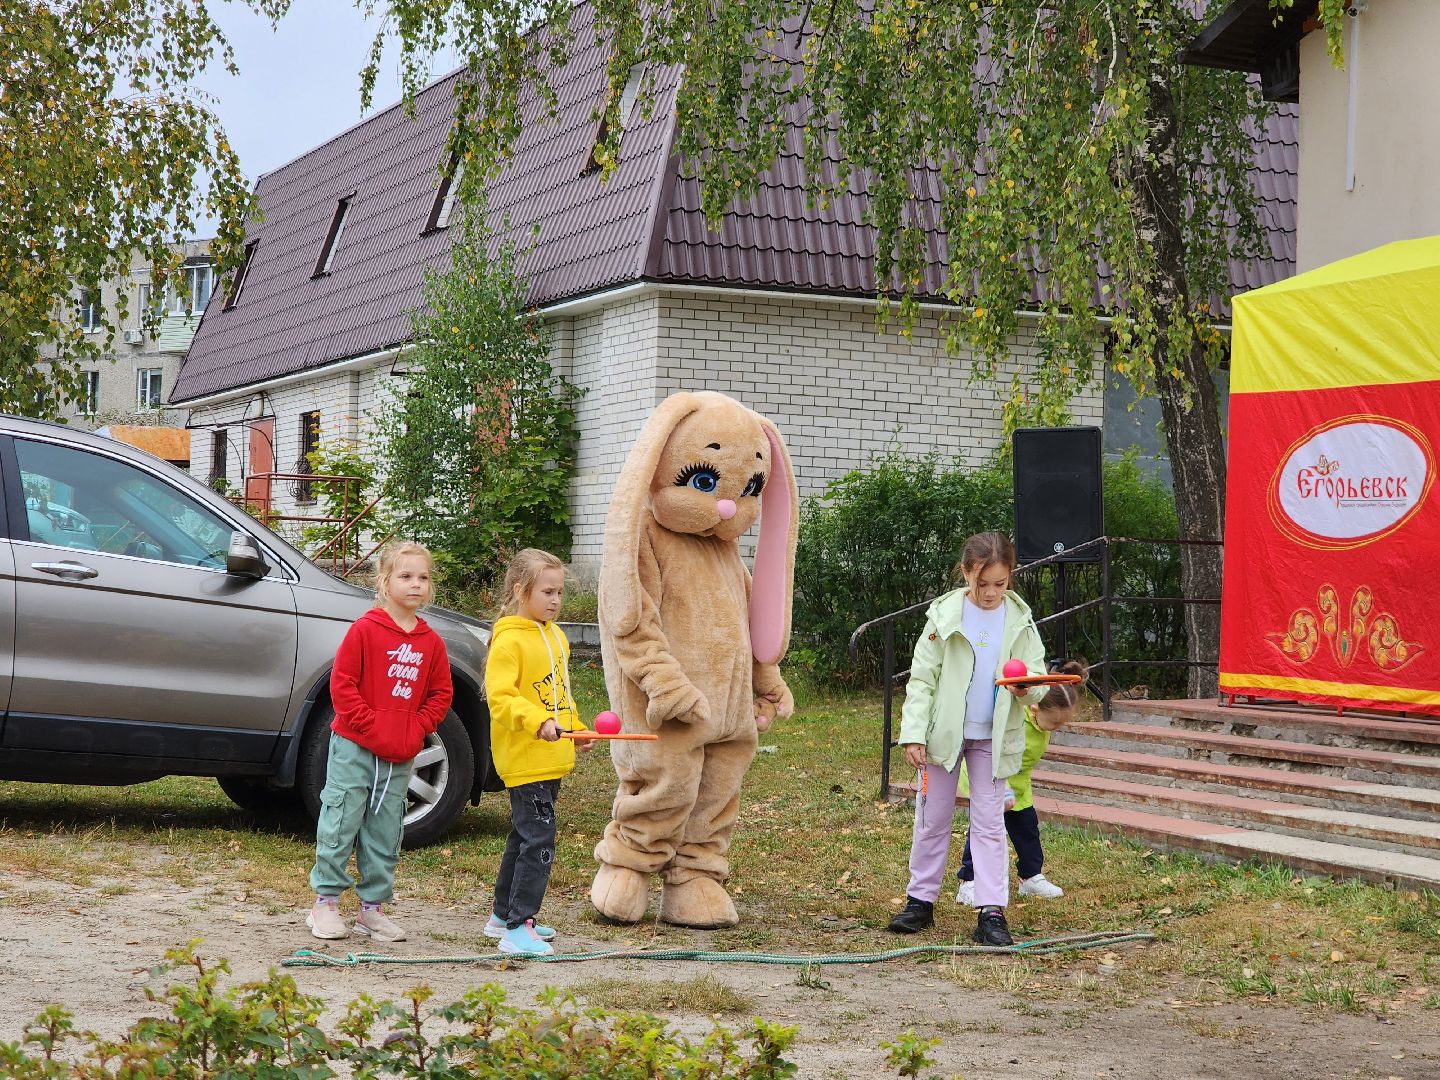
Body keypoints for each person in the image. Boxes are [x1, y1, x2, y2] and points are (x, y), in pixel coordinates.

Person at [888, 531, 1049, 945]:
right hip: (943, 737)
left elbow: (1037, 677)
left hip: (994, 738)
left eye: (1000, 583)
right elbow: (922, 679)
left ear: (1011, 576)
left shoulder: (1020, 620)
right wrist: (913, 733)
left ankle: (991, 911)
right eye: (982, 583)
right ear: (965, 572)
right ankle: (920, 901)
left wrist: (1026, 689)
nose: (991, 592)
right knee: (932, 818)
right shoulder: (944, 616)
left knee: (990, 823)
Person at [307, 541, 453, 942]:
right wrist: (370, 725)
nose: (416, 584)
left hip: (399, 754)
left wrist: (415, 727)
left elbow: (440, 694)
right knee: (341, 821)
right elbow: (343, 685)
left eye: (423, 577)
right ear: (385, 582)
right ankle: (325, 903)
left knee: (385, 831)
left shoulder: (431, 642)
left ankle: (371, 910)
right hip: (354, 747)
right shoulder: (365, 630)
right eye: (406, 576)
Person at [484, 548, 592, 956]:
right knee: (539, 840)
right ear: (520, 590)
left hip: (551, 758)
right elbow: (501, 698)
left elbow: (559, 695)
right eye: (547, 592)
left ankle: (501, 916)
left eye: (559, 592)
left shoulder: (556, 637)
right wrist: (538, 722)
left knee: (524, 836)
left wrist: (574, 729)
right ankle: (518, 927)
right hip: (524, 758)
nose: (555, 600)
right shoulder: (509, 641)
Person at [955, 659, 1089, 906]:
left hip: (1019, 786)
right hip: (989, 777)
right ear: (1035, 708)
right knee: (983, 831)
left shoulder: (1043, 722)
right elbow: (987, 752)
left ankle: (1030, 877)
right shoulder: (1013, 718)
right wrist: (1000, 786)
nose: (1057, 728)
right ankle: (969, 881)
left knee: (1027, 830)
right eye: (1056, 723)